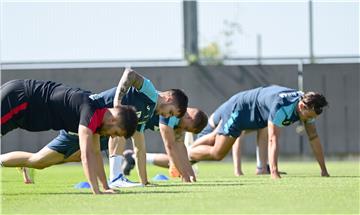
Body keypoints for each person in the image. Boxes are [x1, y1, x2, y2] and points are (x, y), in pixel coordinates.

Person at [8, 68, 189, 187]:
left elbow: (139, 147)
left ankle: (25, 164)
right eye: (171, 112)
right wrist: (118, 102)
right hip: (84, 122)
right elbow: (130, 73)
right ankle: (116, 178)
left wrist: (145, 182)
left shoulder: (149, 112)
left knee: (39, 161)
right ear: (168, 99)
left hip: (99, 129)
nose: (167, 117)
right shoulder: (150, 91)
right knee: (116, 133)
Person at [0, 79, 138, 194]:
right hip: (19, 100)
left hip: (22, 108)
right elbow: (86, 155)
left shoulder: (98, 116)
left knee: (40, 162)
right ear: (113, 120)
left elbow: (96, 154)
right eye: (115, 133)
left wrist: (105, 187)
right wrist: (97, 191)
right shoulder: (90, 112)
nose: (112, 137)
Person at [188, 85, 330, 179]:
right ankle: (185, 154)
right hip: (241, 109)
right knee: (218, 152)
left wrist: (323, 170)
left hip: (257, 115)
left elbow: (313, 137)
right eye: (310, 116)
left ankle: (261, 168)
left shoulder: (306, 106)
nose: (310, 120)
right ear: (302, 106)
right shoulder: (281, 107)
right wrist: (274, 173)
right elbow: (272, 139)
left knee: (218, 143)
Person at [123, 107, 208, 180]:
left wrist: (190, 174)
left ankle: (139, 178)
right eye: (186, 127)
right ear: (189, 117)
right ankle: (116, 177)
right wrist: (184, 175)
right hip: (127, 112)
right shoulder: (172, 113)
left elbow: (181, 146)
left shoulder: (179, 121)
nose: (183, 129)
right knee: (116, 138)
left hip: (138, 122)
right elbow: (170, 146)